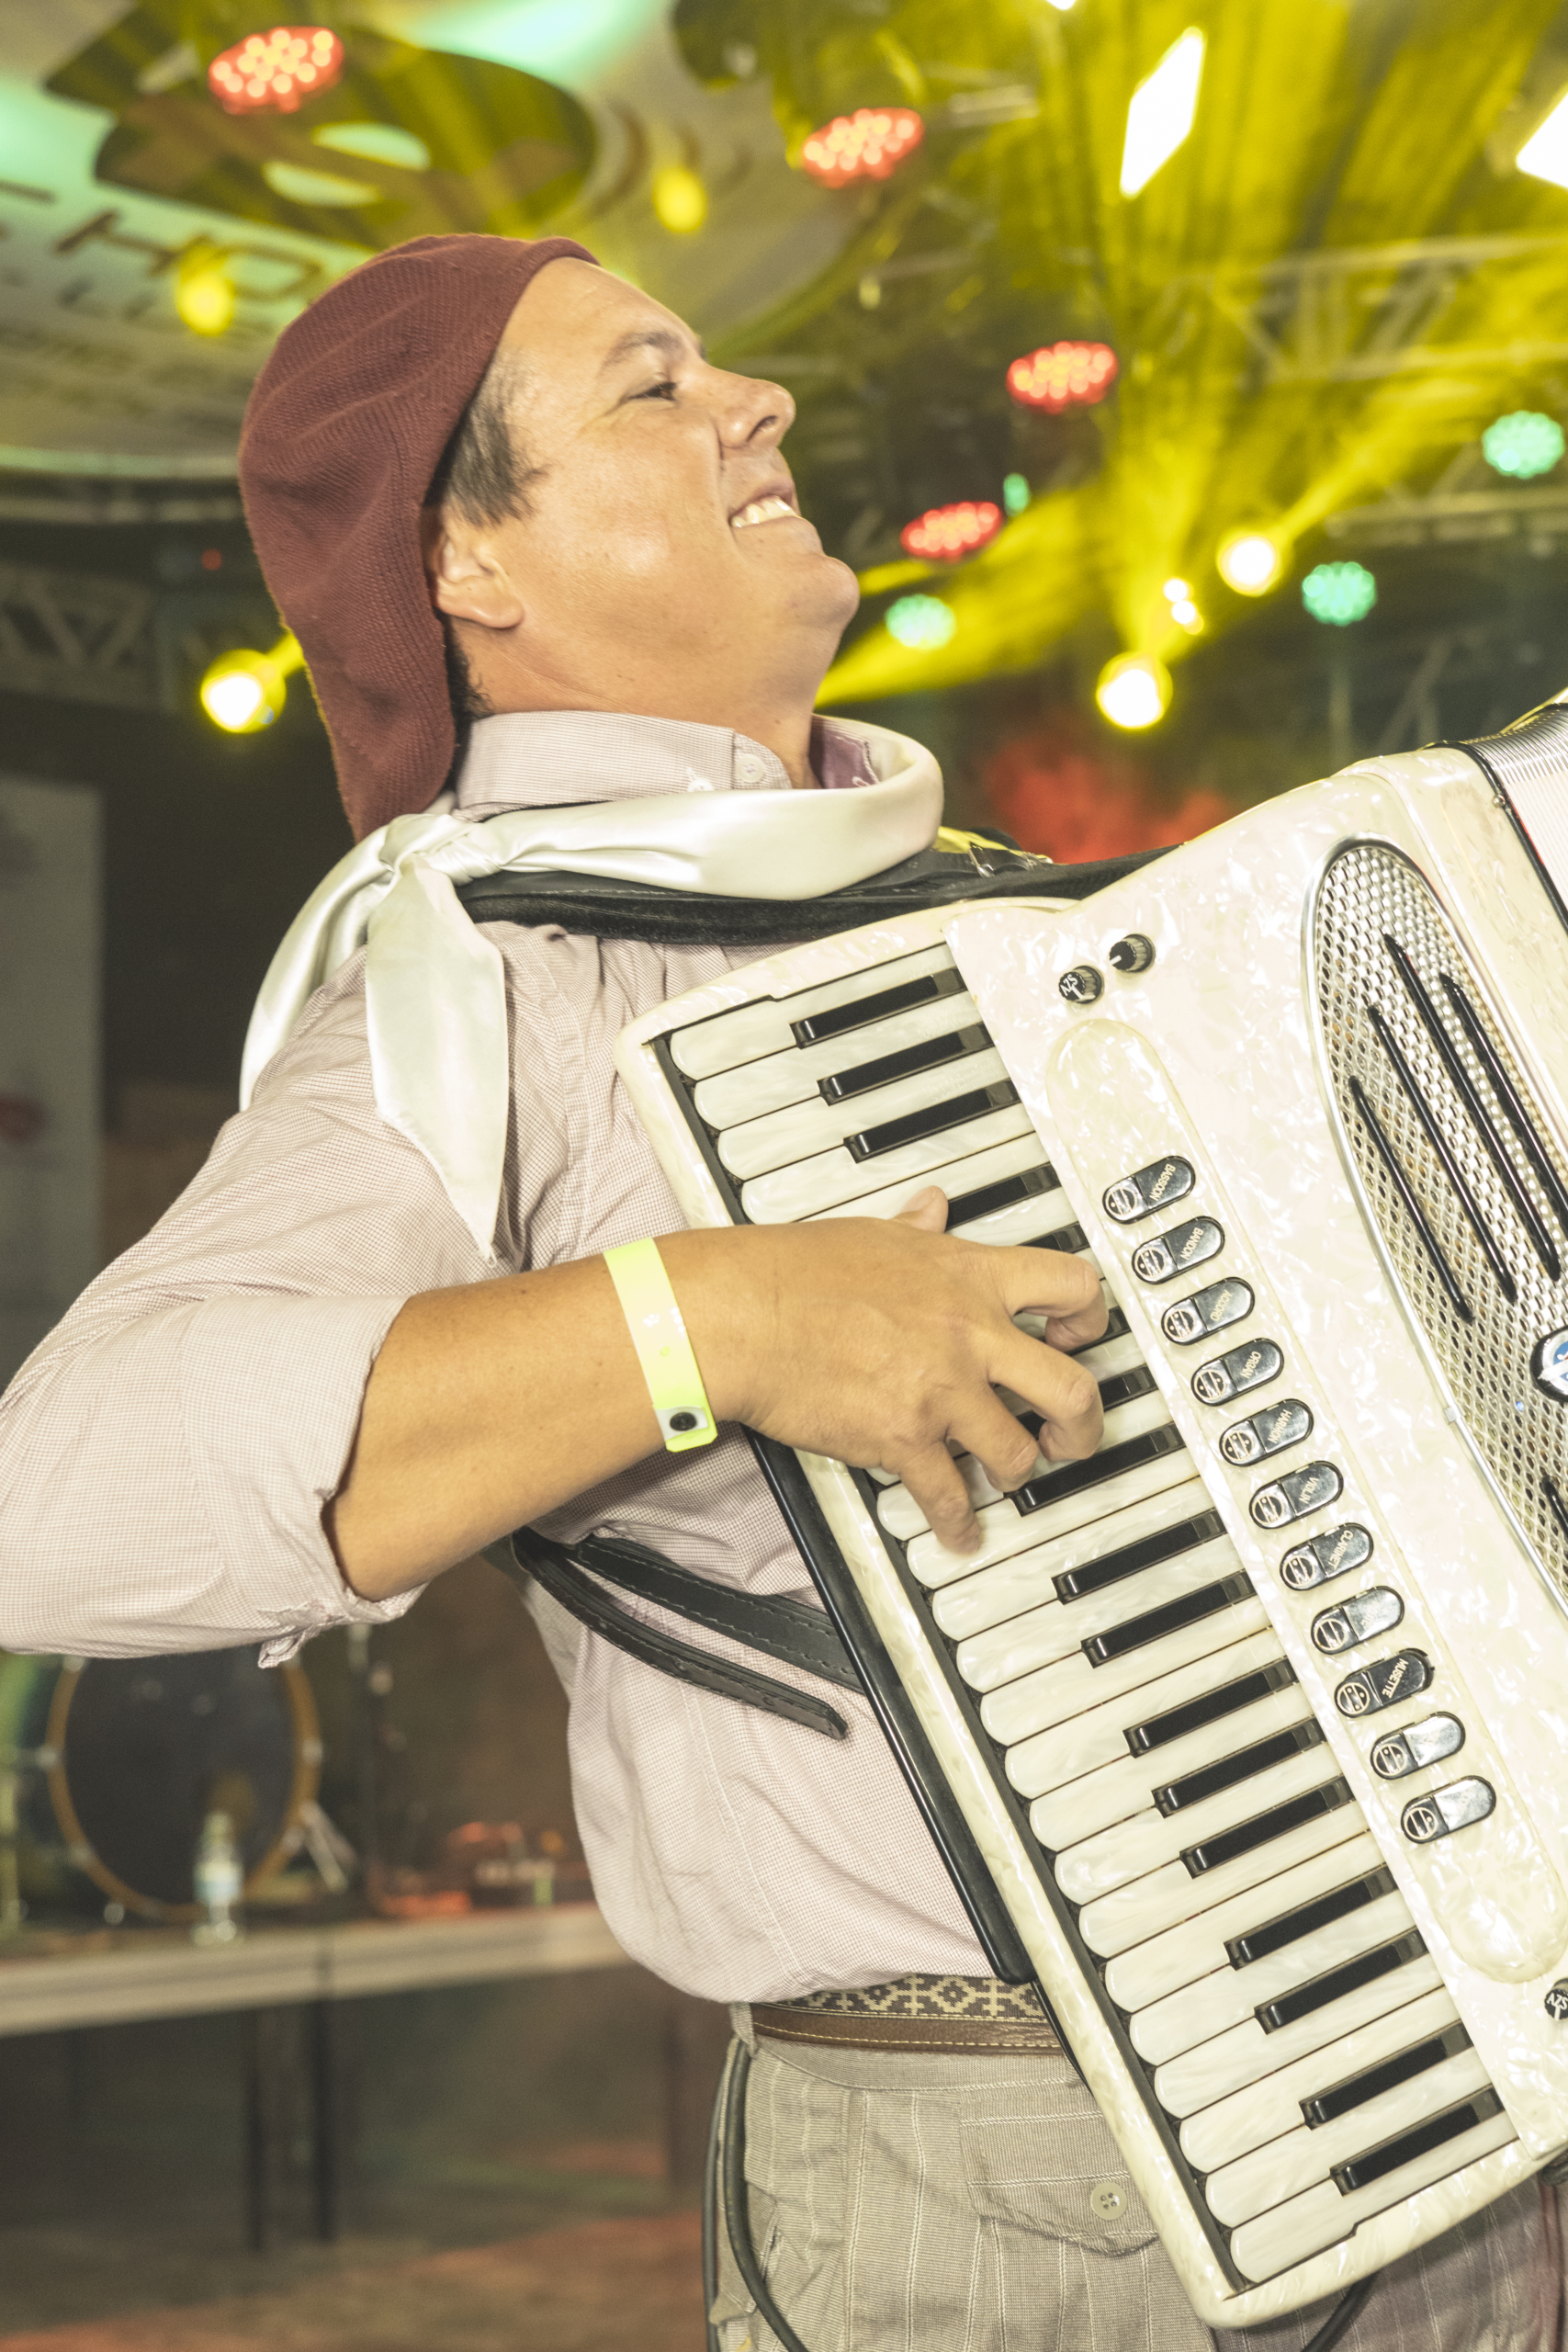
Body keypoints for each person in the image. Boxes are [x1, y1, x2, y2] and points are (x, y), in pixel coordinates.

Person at [0, 234, 1555, 2352]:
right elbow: (58, 1497)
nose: (760, 402)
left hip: (1483, 2113)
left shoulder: (1037, 935)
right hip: (1019, 2189)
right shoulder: (490, 988)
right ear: (465, 561)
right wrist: (712, 1318)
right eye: (650, 385)